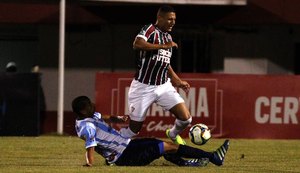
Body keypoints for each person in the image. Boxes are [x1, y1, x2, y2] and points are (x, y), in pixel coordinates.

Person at [72, 96, 230, 167]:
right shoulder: (87, 127)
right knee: (166, 146)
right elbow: (90, 146)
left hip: (127, 146)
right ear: (83, 111)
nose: (93, 105)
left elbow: (105, 117)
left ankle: (186, 163)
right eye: (89, 105)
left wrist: (119, 118)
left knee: (158, 143)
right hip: (124, 156)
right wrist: (89, 163)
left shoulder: (91, 117)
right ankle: (213, 157)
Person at [120, 5, 192, 145]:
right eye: (170, 19)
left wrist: (176, 79)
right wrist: (163, 46)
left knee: (186, 119)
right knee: (134, 130)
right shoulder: (150, 30)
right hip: (143, 87)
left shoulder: (168, 36)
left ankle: (172, 134)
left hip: (163, 86)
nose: (173, 22)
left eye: (174, 19)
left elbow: (165, 62)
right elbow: (137, 44)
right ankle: (112, 147)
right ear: (160, 18)